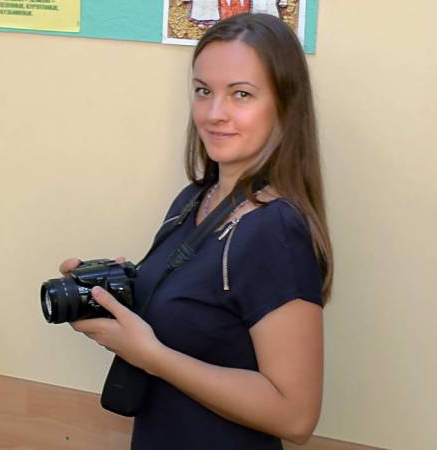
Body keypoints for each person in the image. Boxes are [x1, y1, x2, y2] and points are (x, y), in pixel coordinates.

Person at [61, 13, 333, 450]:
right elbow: (198, 320)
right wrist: (112, 295)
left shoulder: (276, 231)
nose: (214, 113)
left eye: (241, 94)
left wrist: (151, 356)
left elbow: (296, 416)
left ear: (285, 105)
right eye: (204, 91)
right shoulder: (194, 200)